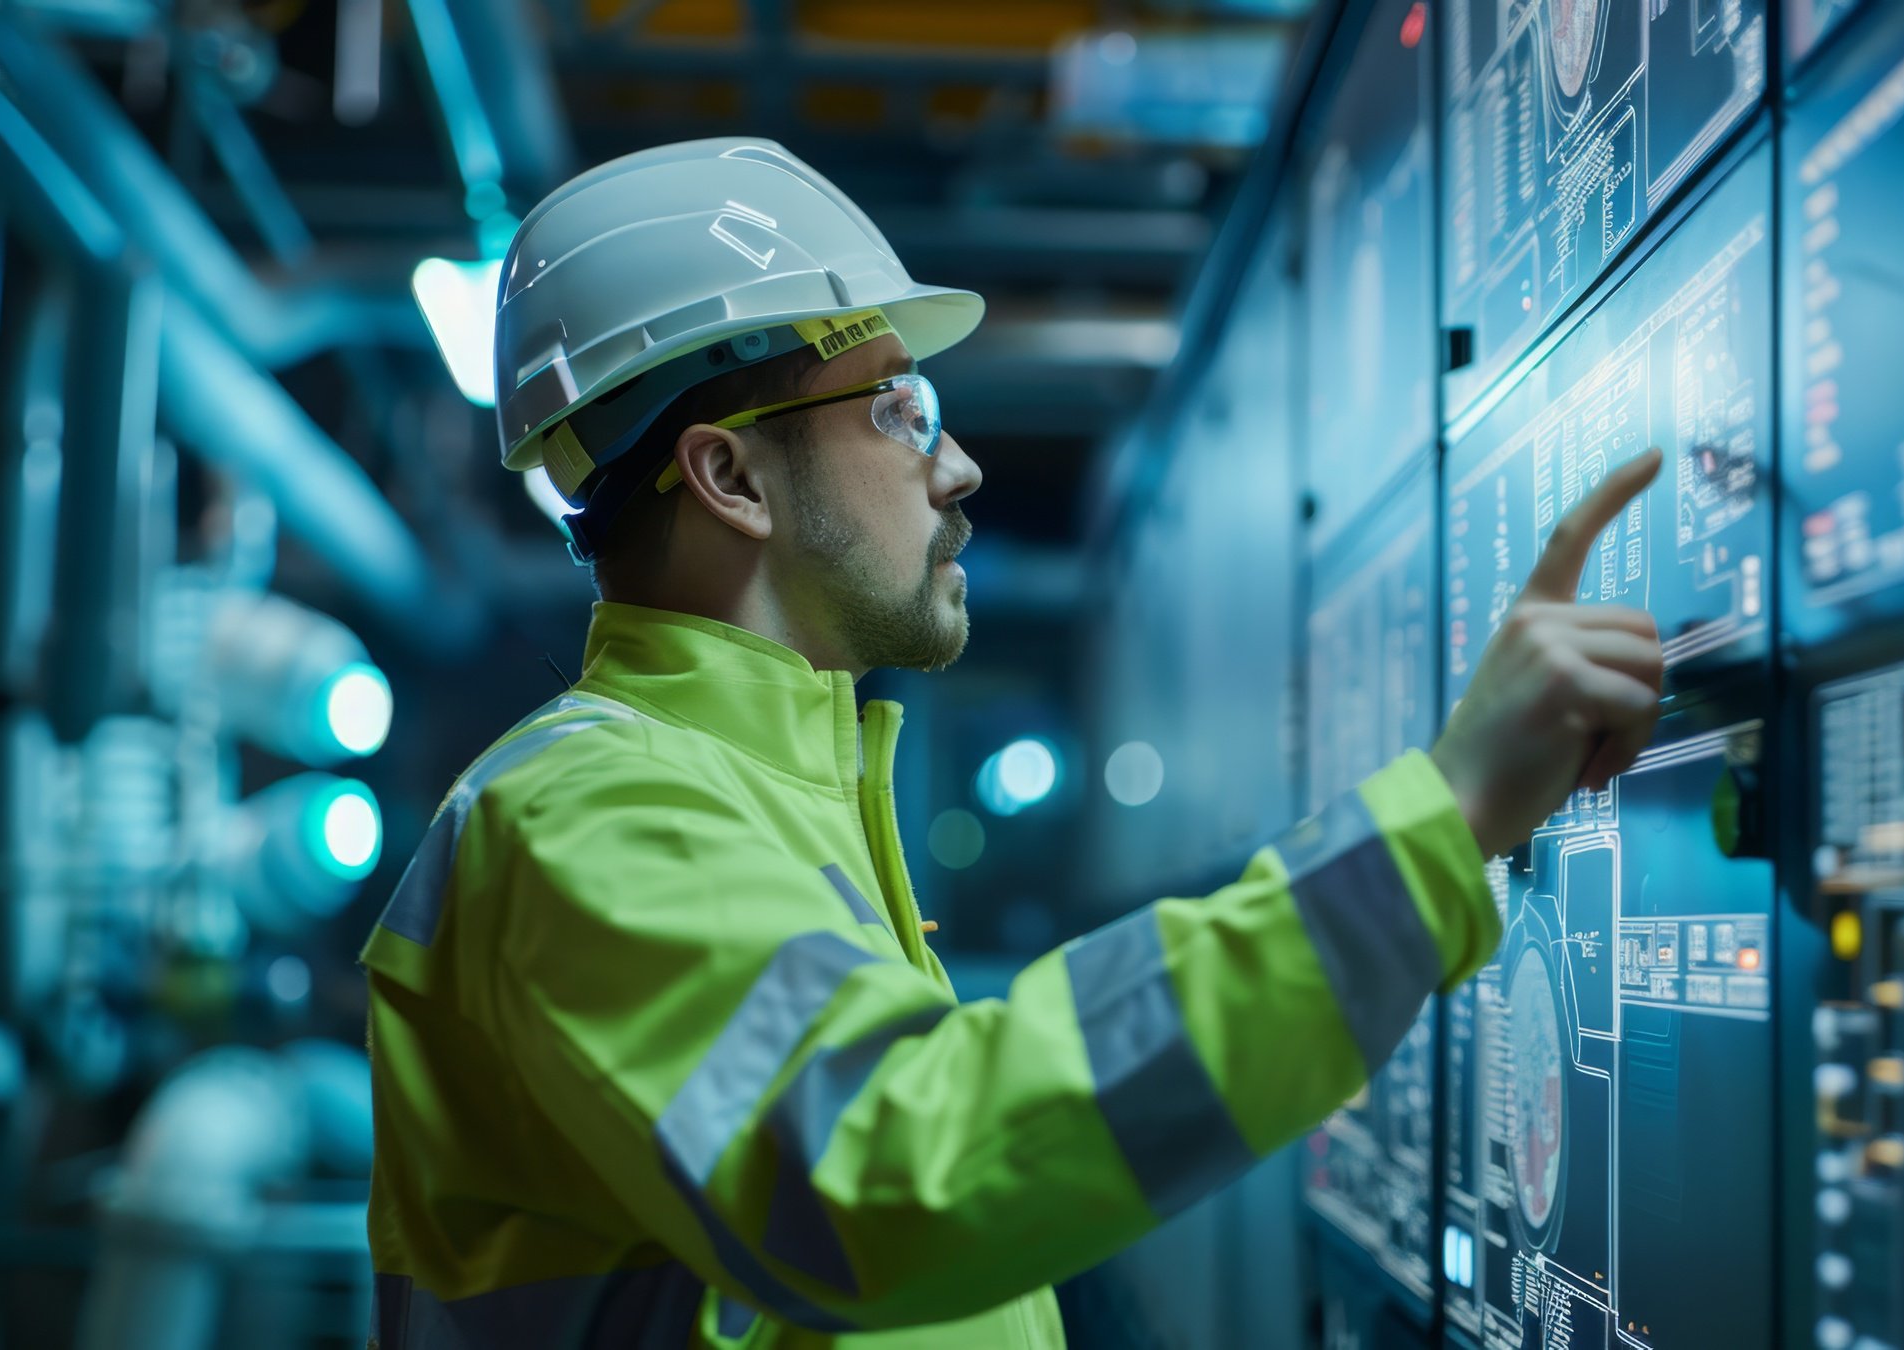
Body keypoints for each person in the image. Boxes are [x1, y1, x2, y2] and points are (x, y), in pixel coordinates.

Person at [360, 138, 1666, 1349]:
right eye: (900, 410)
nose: (961, 466)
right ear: (731, 479)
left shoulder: (770, 790)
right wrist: (1439, 827)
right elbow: (886, 1168)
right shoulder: (588, 815)